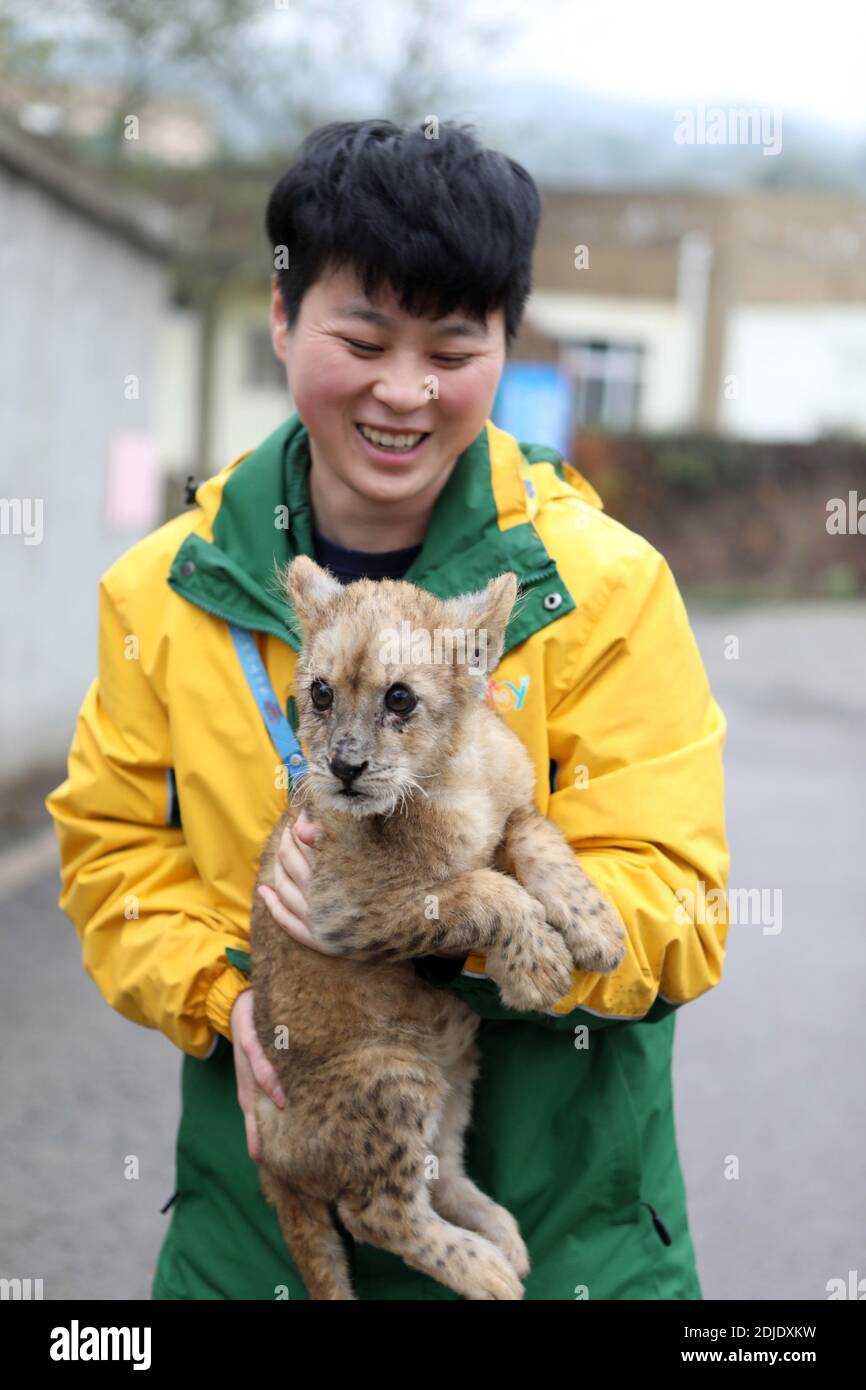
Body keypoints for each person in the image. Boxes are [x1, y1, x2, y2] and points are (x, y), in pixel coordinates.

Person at [45, 118, 729, 1301]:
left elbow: (680, 903)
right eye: (361, 337)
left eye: (452, 349)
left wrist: (453, 918)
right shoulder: (161, 590)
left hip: (565, 1249)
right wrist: (232, 996)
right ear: (280, 317)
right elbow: (110, 860)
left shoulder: (605, 588)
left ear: (506, 345)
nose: (401, 392)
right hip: (255, 1248)